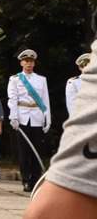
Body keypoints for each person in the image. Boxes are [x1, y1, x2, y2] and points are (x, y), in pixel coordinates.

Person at [24, 40, 97, 218]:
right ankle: (27, 178)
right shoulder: (73, 83)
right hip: (26, 116)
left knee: (46, 212)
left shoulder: (40, 80)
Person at [7, 49, 51, 192]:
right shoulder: (15, 79)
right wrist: (13, 116)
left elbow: (45, 100)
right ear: (21, 62)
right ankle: (26, 180)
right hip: (22, 117)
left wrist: (47, 118)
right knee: (24, 151)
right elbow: (12, 99)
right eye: (26, 61)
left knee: (37, 150)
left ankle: (36, 180)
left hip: (37, 117)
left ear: (34, 63)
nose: (29, 64)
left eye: (31, 61)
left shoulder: (41, 79)